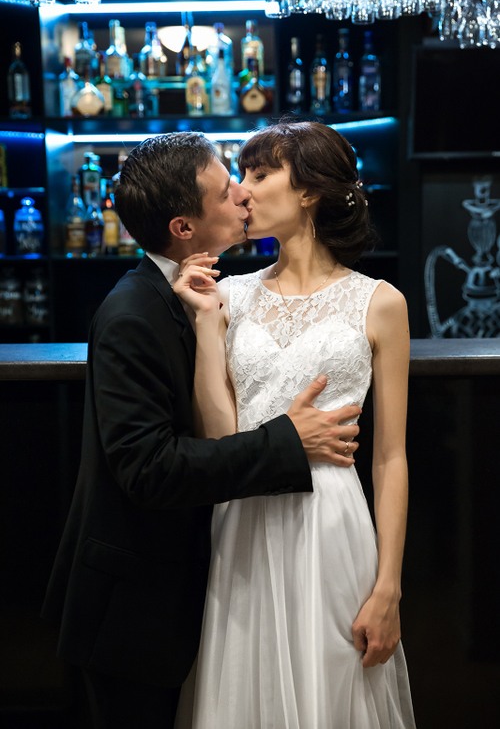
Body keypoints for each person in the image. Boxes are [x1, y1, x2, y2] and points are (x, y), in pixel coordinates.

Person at [41, 131, 363, 729]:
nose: (243, 195)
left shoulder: (198, 292)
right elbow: (148, 469)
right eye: (226, 189)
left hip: (216, 577)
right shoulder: (132, 313)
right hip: (132, 606)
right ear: (184, 227)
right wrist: (288, 440)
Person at [174, 121, 416, 727]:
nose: (242, 190)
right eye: (242, 174)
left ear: (308, 191)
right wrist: (205, 323)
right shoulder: (229, 295)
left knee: (332, 690)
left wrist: (389, 586)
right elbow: (220, 438)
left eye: (260, 174)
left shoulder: (380, 302)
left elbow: (390, 457)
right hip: (243, 519)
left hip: (332, 522)